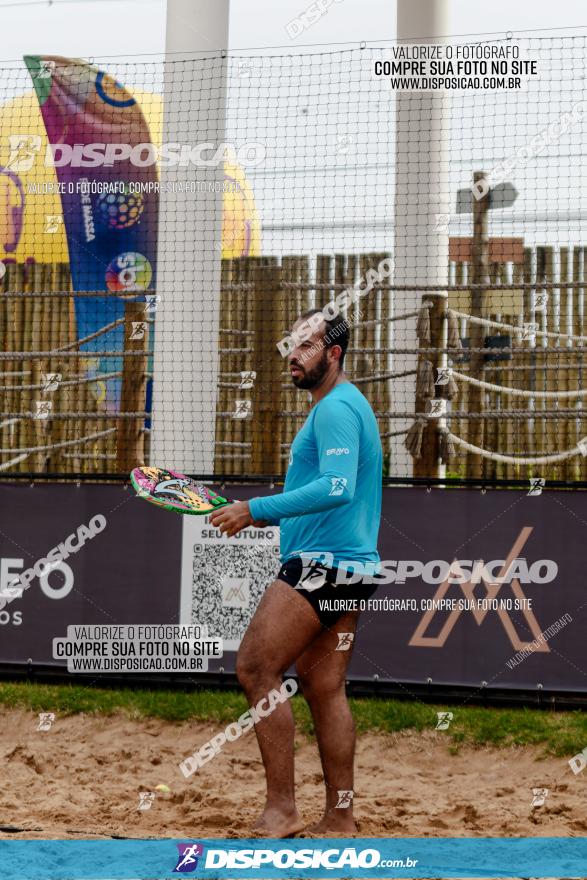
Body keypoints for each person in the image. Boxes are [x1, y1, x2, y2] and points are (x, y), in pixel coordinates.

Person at [210, 308, 382, 837]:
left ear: (334, 354)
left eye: (307, 345)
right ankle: (340, 817)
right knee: (325, 689)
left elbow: (337, 487)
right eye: (292, 344)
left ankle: (282, 809)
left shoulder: (335, 410)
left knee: (256, 668)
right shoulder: (345, 406)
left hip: (322, 568)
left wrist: (255, 509)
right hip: (350, 567)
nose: (293, 354)